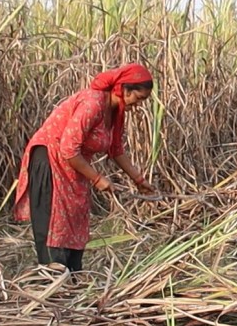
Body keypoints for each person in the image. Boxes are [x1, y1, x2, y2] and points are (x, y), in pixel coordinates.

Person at [13, 64, 157, 272]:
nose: (139, 104)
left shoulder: (116, 112)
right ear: (125, 90)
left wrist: (140, 181)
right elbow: (68, 149)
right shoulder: (93, 104)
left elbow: (116, 150)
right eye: (140, 98)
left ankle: (71, 276)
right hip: (51, 159)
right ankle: (52, 277)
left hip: (73, 164)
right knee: (55, 218)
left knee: (75, 214)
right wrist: (98, 179)